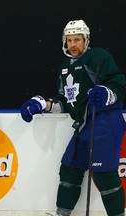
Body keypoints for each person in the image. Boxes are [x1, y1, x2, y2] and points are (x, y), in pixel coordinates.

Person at [20, 20, 126, 216]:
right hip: (84, 125)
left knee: (104, 175)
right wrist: (43, 104)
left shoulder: (98, 56)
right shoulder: (64, 68)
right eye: (69, 40)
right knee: (70, 168)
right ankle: (62, 213)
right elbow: (64, 102)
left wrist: (106, 93)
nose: (73, 44)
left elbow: (119, 83)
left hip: (105, 121)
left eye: (77, 39)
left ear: (86, 40)